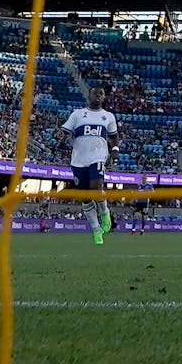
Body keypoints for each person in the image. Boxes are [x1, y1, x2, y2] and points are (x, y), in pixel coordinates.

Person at [59, 85, 117, 246]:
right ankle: (96, 229)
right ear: (89, 96)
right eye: (94, 93)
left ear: (104, 97)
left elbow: (114, 136)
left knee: (96, 187)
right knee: (85, 197)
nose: (97, 95)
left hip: (98, 156)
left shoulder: (108, 117)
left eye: (101, 93)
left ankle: (105, 213)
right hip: (78, 160)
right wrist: (60, 136)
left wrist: (115, 151)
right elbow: (65, 131)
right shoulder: (77, 115)